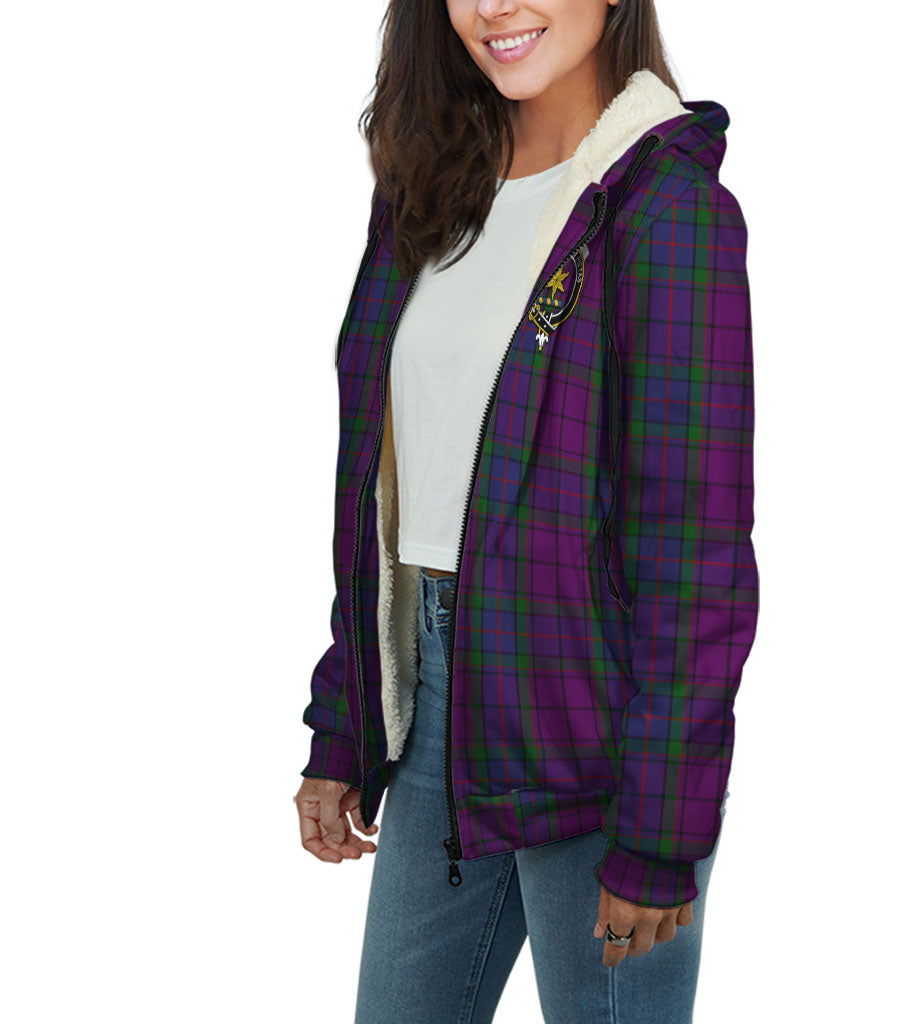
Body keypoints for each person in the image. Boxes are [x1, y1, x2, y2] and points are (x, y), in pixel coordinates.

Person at [293, 1, 759, 1020]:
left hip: (600, 742)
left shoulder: (661, 207)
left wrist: (661, 829)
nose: (495, 5)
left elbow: (696, 555)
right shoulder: (426, 190)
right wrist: (345, 724)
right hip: (436, 715)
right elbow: (382, 496)